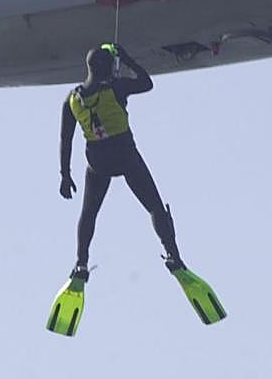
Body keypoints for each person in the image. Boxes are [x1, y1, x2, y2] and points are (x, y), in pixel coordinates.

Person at [58, 43, 184, 282]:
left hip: (98, 161)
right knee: (154, 206)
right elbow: (147, 83)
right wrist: (127, 58)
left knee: (89, 213)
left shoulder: (73, 100)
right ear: (109, 68)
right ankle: (173, 255)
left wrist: (65, 175)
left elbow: (66, 139)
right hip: (125, 156)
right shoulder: (117, 88)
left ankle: (81, 263)